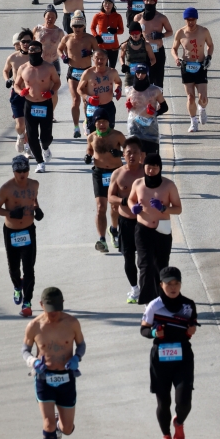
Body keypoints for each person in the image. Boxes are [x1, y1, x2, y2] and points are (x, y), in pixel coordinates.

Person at [23, 287, 85, 439]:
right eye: (50, 309)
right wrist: (32, 361)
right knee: (47, 423)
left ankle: (60, 427)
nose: (54, 313)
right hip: (44, 379)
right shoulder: (34, 326)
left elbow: (81, 344)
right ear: (41, 305)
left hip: (66, 378)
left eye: (57, 308)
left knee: (67, 429)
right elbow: (25, 350)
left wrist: (77, 357)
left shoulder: (72, 323)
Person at [140, 266, 198, 439]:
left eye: (176, 283)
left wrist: (191, 331)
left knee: (184, 401)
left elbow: (191, 325)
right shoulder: (154, 306)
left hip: (183, 357)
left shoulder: (189, 305)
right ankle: (166, 436)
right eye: (169, 284)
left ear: (180, 284)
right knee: (163, 401)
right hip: (160, 358)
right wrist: (154, 332)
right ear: (161, 285)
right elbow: (143, 329)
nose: (173, 287)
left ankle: (179, 421)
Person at [0, 154, 43, 316]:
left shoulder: (35, 184)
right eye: (19, 171)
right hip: (12, 232)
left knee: (29, 268)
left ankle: (27, 302)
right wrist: (10, 213)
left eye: (25, 170)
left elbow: (34, 200)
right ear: (13, 171)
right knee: (14, 268)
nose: (22, 174)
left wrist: (37, 209)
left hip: (28, 230)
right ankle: (16, 286)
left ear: (28, 170)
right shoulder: (6, 188)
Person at [130, 154, 181, 305]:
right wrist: (134, 207)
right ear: (144, 167)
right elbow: (132, 198)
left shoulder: (168, 185)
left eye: (155, 168)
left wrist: (164, 208)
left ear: (160, 169)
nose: (151, 171)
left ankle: (162, 299)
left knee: (161, 266)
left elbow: (178, 209)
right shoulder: (138, 183)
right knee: (145, 265)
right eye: (149, 167)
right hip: (143, 230)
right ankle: (147, 302)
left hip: (162, 231)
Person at [14, 40, 61, 174]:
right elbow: (16, 85)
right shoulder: (23, 68)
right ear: (28, 51)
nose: (33, 52)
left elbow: (57, 82)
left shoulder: (49, 67)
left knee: (45, 137)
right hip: (30, 105)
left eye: (36, 50)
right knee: (32, 136)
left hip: (45, 104)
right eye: (31, 50)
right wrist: (20, 92)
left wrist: (51, 92)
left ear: (41, 52)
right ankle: (40, 162)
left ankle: (45, 147)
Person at [84, 108, 126, 252]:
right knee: (101, 207)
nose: (102, 124)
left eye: (104, 121)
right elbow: (89, 149)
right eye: (99, 122)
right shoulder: (92, 137)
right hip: (99, 173)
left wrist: (120, 152)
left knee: (115, 206)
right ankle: (102, 240)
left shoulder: (118, 136)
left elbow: (130, 152)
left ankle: (114, 230)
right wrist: (88, 156)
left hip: (116, 173)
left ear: (109, 122)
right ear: (95, 123)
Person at [108, 137, 145, 302]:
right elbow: (110, 197)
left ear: (141, 154)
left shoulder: (147, 172)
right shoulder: (118, 173)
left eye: (135, 152)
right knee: (128, 257)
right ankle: (134, 289)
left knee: (145, 258)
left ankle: (148, 287)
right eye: (128, 152)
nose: (132, 156)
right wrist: (123, 201)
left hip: (145, 222)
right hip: (126, 222)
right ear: (123, 154)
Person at [58, 9, 99, 137]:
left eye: (80, 26)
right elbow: (59, 50)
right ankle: (76, 127)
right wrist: (63, 57)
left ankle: (86, 121)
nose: (77, 28)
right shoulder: (67, 38)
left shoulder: (90, 39)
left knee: (86, 101)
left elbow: (99, 55)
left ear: (84, 26)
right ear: (71, 26)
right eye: (75, 26)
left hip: (87, 72)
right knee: (75, 100)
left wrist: (90, 53)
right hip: (73, 72)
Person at [171, 7, 213, 133]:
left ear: (196, 19)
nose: (191, 22)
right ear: (185, 20)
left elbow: (210, 45)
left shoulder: (204, 31)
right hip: (187, 66)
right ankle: (193, 121)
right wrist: (176, 58)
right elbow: (173, 48)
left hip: (200, 65)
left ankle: (202, 108)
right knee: (190, 97)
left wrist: (209, 56)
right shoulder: (180, 33)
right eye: (188, 20)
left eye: (193, 19)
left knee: (203, 97)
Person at [124, 63, 167, 155]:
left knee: (151, 155)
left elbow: (164, 107)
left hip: (150, 126)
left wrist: (155, 112)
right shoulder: (129, 90)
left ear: (147, 74)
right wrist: (129, 106)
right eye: (138, 72)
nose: (140, 75)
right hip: (134, 126)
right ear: (135, 73)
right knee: (135, 154)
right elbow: (130, 109)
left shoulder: (155, 90)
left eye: (143, 73)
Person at [133, 0, 173, 88]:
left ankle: (159, 102)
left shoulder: (161, 17)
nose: (149, 3)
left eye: (151, 1)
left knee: (158, 80)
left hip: (158, 51)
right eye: (147, 0)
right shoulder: (138, 18)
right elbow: (133, 34)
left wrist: (161, 35)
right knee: (145, 79)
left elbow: (170, 32)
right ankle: (147, 102)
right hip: (144, 52)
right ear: (144, 1)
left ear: (155, 2)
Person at [77, 47, 122, 134]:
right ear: (93, 59)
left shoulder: (112, 72)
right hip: (93, 107)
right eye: (97, 58)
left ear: (107, 59)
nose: (100, 61)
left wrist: (118, 89)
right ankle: (86, 124)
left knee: (109, 132)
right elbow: (79, 89)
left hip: (108, 106)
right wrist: (88, 98)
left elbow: (118, 82)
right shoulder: (88, 73)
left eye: (102, 58)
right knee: (93, 133)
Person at [4, 28, 32, 154]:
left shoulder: (36, 58)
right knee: (20, 124)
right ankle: (20, 136)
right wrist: (7, 80)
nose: (26, 44)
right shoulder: (13, 57)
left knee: (30, 123)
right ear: (19, 43)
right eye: (23, 41)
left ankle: (28, 148)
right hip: (17, 93)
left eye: (28, 41)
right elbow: (5, 70)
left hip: (32, 94)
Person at [91, 0, 125, 67]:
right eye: (105, 3)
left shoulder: (117, 16)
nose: (107, 5)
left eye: (110, 3)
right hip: (102, 47)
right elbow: (92, 28)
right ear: (102, 4)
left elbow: (121, 30)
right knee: (103, 68)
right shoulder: (98, 16)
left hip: (114, 48)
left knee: (112, 69)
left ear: (113, 4)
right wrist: (96, 36)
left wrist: (115, 31)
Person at [34, 6, 63, 77]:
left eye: (53, 17)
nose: (50, 19)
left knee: (55, 85)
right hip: (40, 61)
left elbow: (64, 46)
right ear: (44, 17)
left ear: (56, 19)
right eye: (48, 16)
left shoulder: (59, 32)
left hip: (54, 61)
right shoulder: (37, 29)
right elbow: (31, 45)